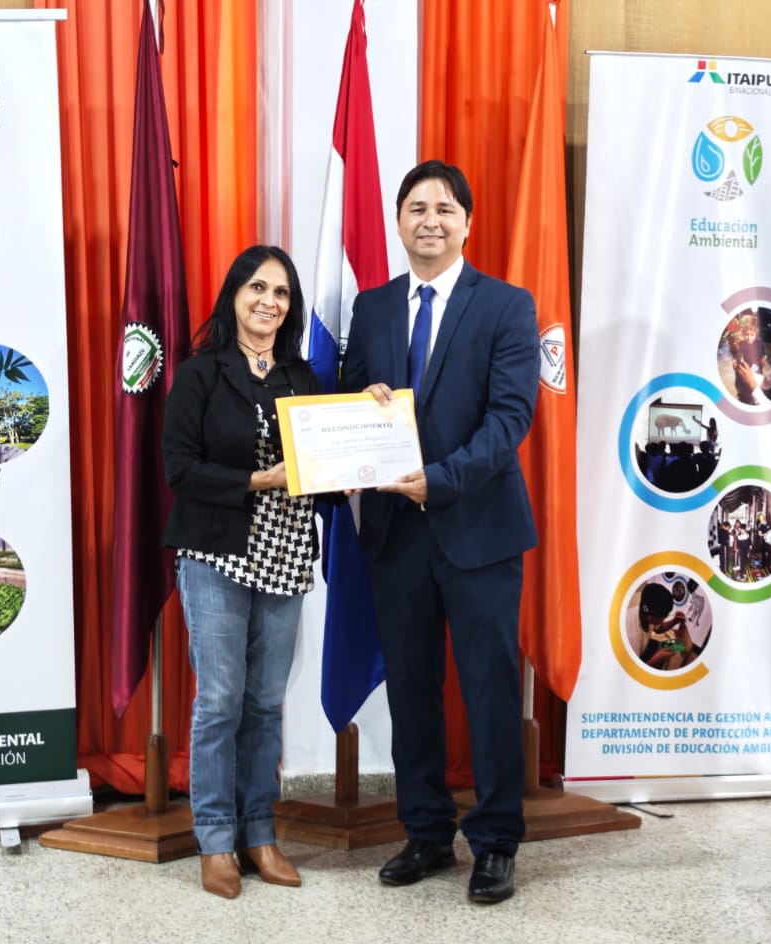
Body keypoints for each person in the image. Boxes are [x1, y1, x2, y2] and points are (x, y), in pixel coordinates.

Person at [342, 159, 538, 906]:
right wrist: (360, 404)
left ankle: (496, 842)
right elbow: (350, 402)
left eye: (445, 208)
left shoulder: (507, 306)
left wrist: (442, 479)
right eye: (417, 208)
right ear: (399, 222)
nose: (430, 220)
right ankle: (425, 831)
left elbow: (510, 418)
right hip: (395, 531)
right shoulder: (372, 307)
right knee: (412, 689)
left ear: (467, 224)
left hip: (478, 526)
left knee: (488, 688)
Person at [160, 244, 322, 900]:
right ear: (234, 295)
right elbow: (179, 469)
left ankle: (260, 832)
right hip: (216, 552)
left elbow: (326, 462)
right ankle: (215, 838)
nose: (268, 301)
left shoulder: (304, 378)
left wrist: (362, 441)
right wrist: (257, 480)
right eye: (257, 287)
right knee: (221, 699)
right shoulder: (200, 373)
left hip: (286, 552)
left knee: (264, 702)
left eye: (281, 292)